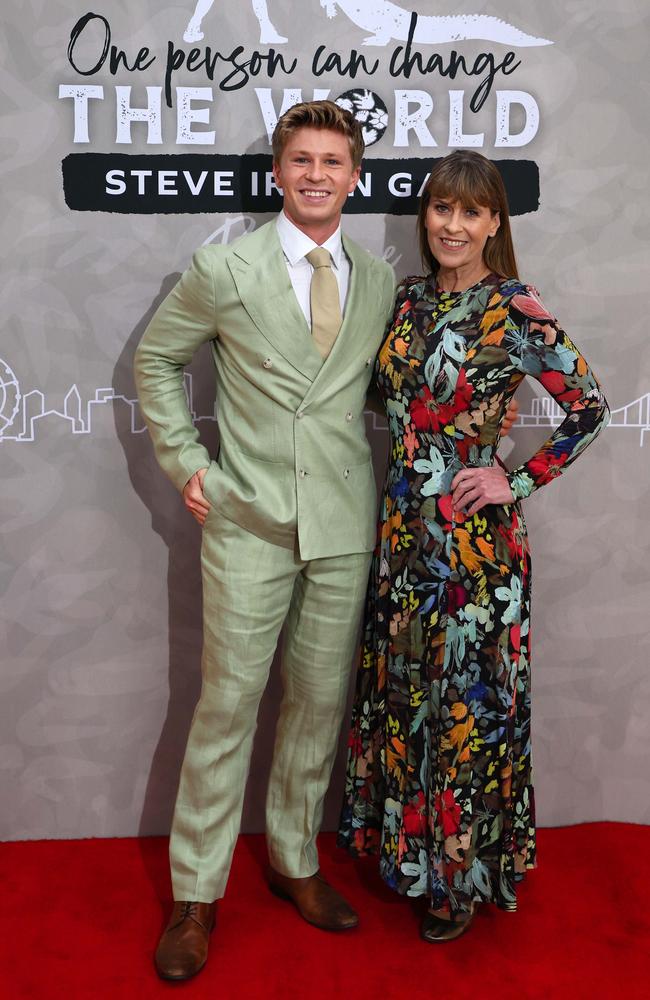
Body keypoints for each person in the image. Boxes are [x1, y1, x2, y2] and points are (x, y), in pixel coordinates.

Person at [134, 100, 397, 981]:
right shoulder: (223, 267)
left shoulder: (379, 279)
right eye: (302, 160)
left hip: (343, 528)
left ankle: (293, 863)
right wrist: (186, 463)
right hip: (246, 522)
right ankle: (196, 896)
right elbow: (158, 360)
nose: (318, 174)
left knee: (318, 707)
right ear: (278, 173)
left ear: (354, 177)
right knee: (226, 709)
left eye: (334, 161)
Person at [338, 149, 609, 942]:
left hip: (471, 552)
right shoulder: (408, 300)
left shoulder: (514, 307)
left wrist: (512, 482)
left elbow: (588, 407)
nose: (453, 225)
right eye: (441, 209)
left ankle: (459, 880)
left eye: (471, 212)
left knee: (463, 709)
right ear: (427, 218)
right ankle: (407, 856)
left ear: (495, 222)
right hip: (398, 538)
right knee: (406, 698)